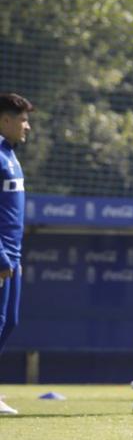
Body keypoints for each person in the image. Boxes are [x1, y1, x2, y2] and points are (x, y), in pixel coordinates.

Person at [0, 94, 31, 416]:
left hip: (13, 255)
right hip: (2, 256)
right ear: (4, 120)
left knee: (10, 322)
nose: (28, 126)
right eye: (22, 120)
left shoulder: (10, 154)